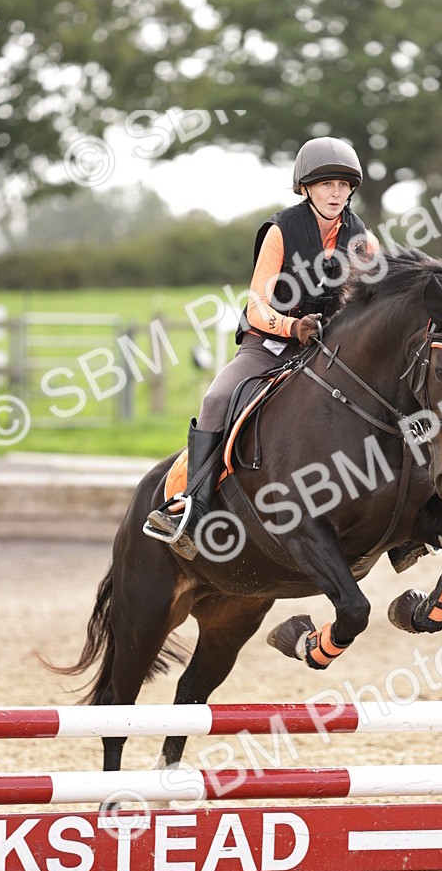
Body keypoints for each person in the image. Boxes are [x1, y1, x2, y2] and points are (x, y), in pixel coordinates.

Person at [145, 136, 378, 556]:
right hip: (269, 343)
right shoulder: (281, 230)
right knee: (218, 396)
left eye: (344, 185)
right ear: (305, 188)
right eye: (326, 184)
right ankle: (192, 507)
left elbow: (373, 297)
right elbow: (256, 306)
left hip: (325, 351)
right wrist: (293, 327)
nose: (337, 193)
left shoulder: (360, 238)